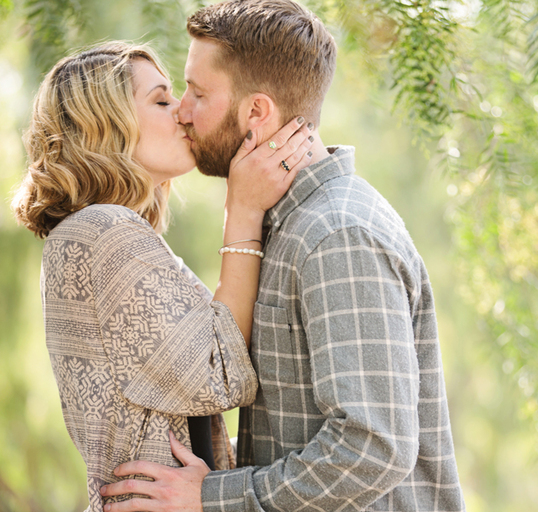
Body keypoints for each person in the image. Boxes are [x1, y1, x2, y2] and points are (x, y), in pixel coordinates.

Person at [100, 1, 466, 511]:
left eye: (198, 93)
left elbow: (373, 448)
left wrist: (212, 499)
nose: (182, 110)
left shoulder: (337, 233)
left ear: (256, 112)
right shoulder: (284, 223)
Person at [11, 41, 314, 512]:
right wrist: (244, 211)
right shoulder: (103, 231)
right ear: (105, 124)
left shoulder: (100, 232)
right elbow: (220, 375)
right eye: (161, 100)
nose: (183, 113)